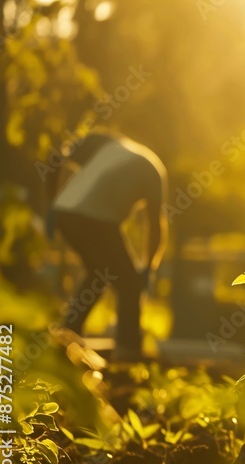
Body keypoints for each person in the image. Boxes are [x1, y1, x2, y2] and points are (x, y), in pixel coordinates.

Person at [50, 131, 167, 362]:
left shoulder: (110, 150)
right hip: (95, 219)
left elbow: (58, 163)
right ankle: (128, 355)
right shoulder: (152, 170)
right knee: (130, 286)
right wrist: (148, 268)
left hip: (64, 214)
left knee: (99, 274)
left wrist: (50, 203)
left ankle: (66, 338)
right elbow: (155, 224)